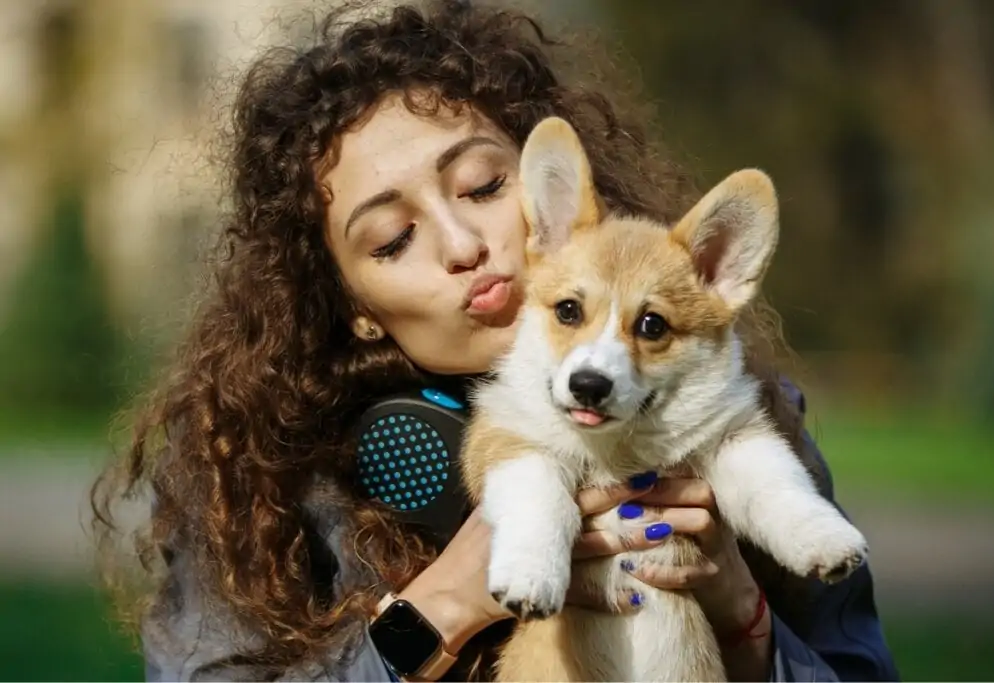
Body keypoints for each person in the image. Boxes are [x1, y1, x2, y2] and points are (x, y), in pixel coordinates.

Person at [91, 1, 900, 681]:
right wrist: (438, 607)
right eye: (391, 239)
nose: (462, 243)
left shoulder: (743, 422)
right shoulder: (261, 477)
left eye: (482, 186)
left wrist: (743, 616)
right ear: (352, 305)